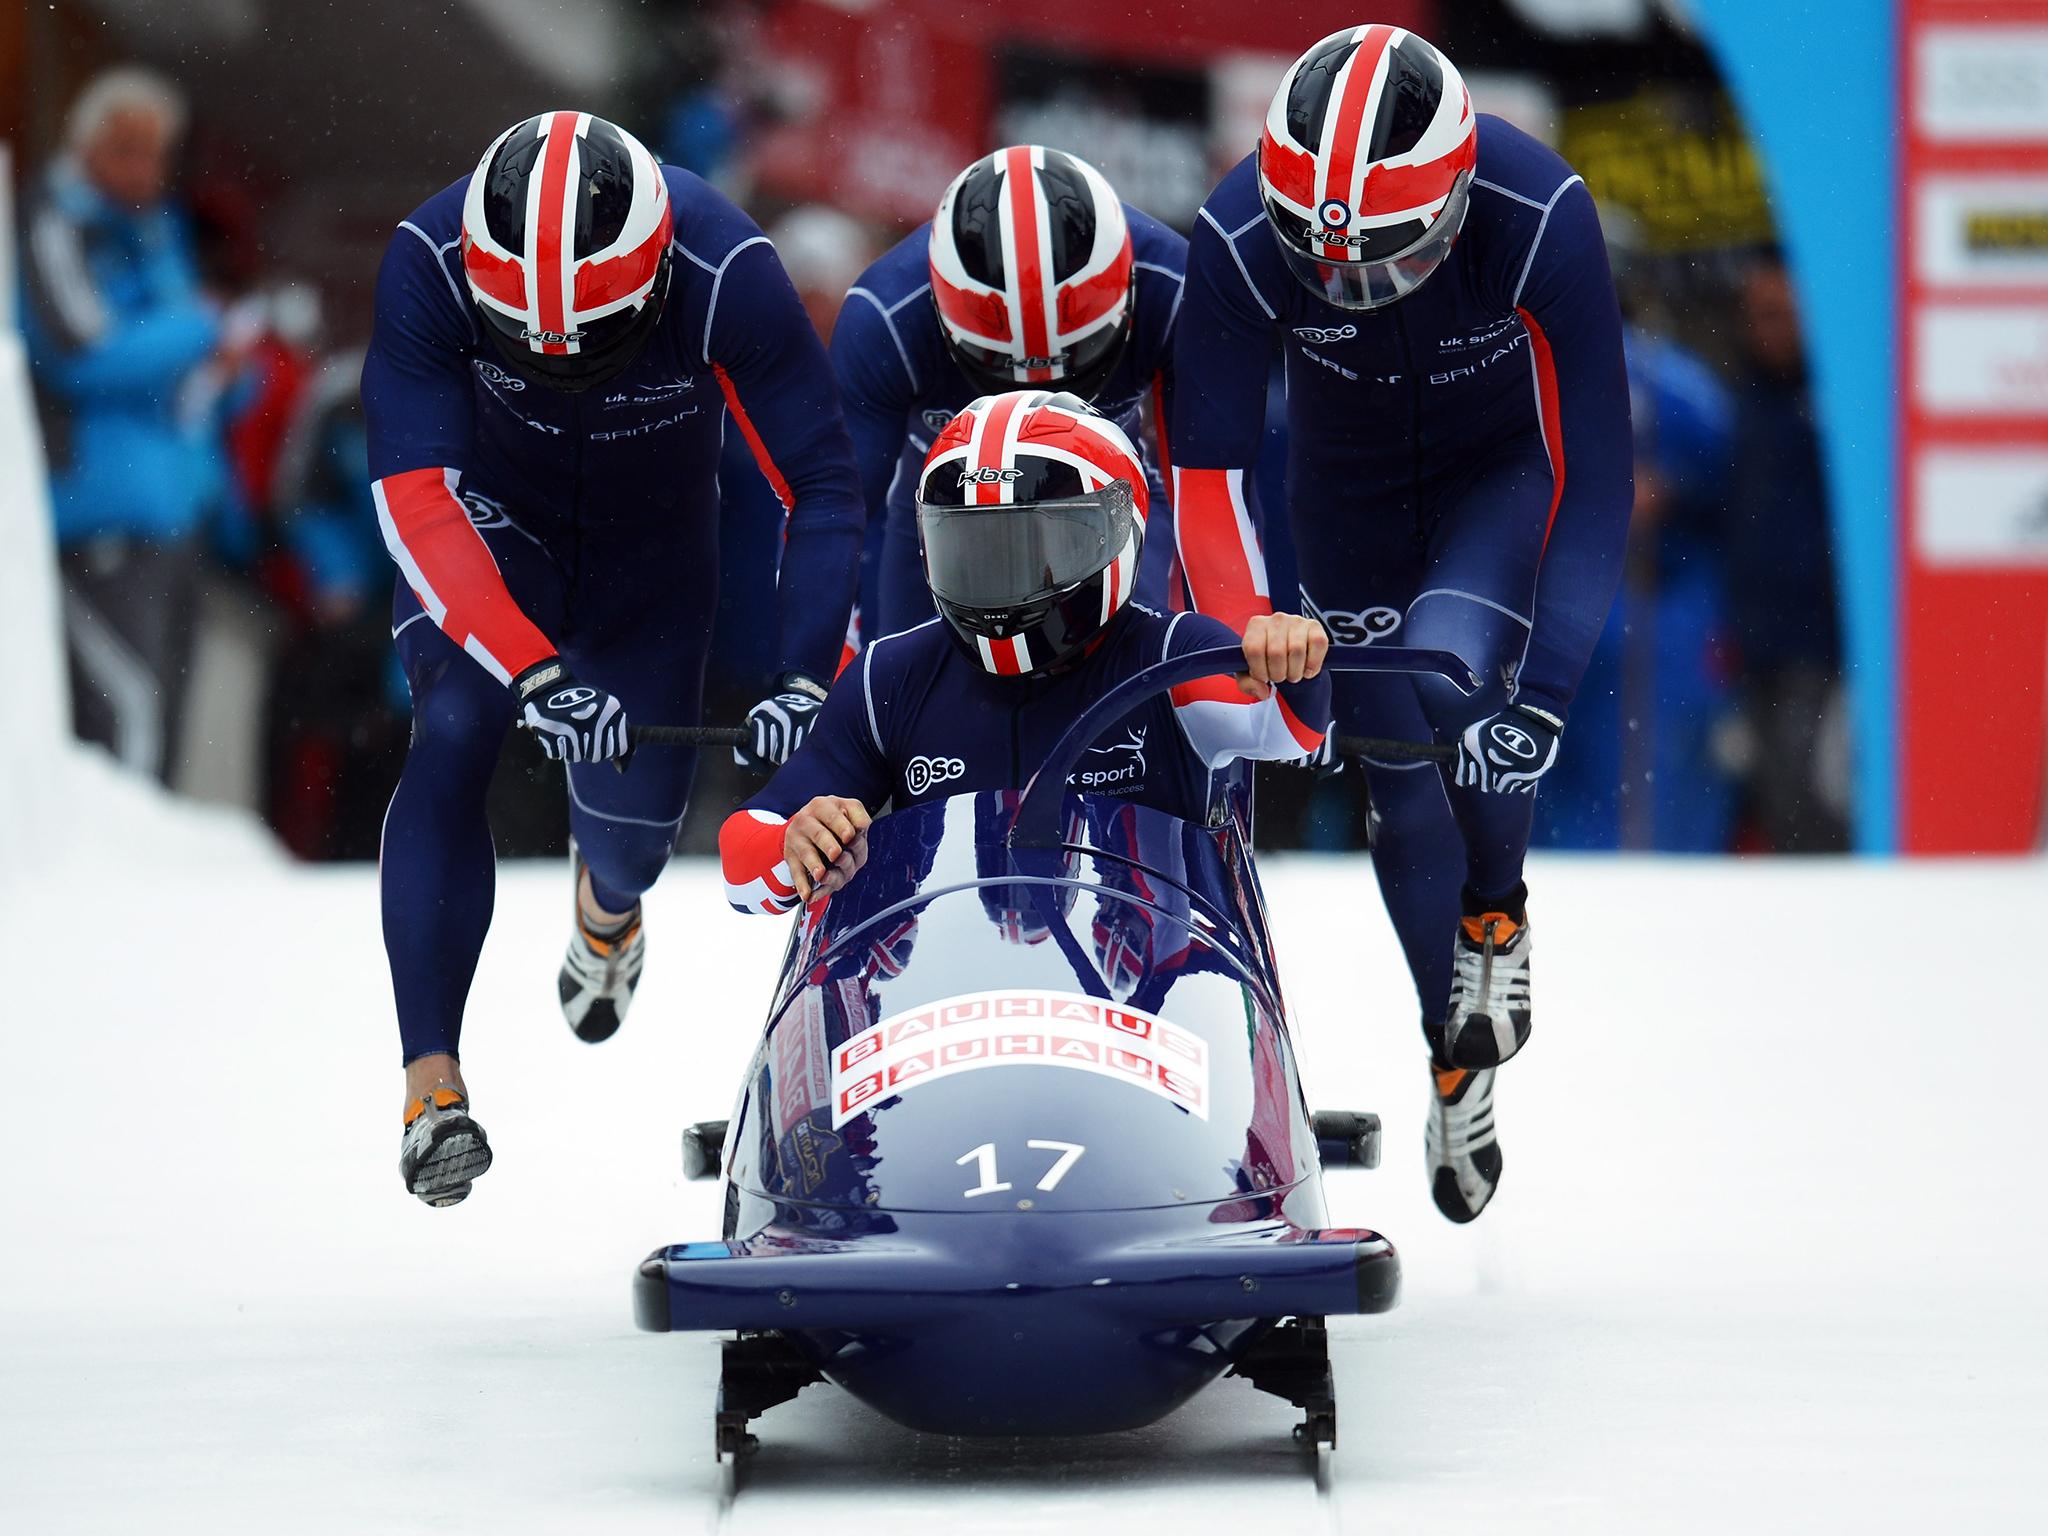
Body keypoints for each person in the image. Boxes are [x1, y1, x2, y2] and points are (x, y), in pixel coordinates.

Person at [1171, 26, 1632, 1221]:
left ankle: (1496, 907)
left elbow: (1593, 473)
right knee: (1395, 781)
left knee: (1450, 671)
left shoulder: (1536, 213)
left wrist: (1545, 694)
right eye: (1322, 266)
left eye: (1390, 259)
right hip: (1347, 497)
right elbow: (1207, 477)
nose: (1352, 289)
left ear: (1457, 198)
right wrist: (1241, 635)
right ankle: (1450, 1052)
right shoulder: (1237, 232)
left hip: (1497, 476)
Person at [362, 111, 863, 1206]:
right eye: (528, 340)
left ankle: (608, 904)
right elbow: (416, 496)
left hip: (653, 560)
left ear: (652, 272)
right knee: (455, 725)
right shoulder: (429, 259)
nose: (566, 366)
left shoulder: (725, 267)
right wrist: (529, 667)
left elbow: (821, 485)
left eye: (599, 339)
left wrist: (804, 675)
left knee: (636, 836)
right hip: (495, 533)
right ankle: (430, 1089)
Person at [719, 392, 1328, 914]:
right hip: (946, 989)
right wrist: (794, 843)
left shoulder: (1172, 656)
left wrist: (1291, 658)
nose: (1003, 582)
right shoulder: (890, 677)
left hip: (1134, 986)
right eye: (977, 551)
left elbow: (1287, 729)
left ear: (1116, 532)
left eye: (1038, 549)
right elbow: (743, 858)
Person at [831, 146, 1187, 640]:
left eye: (1074, 364)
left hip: (1104, 508)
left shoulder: (1174, 288)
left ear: (1128, 294)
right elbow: (833, 510)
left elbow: (1213, 484)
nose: (1036, 402)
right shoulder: (887, 318)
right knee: (914, 680)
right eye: (1005, 372)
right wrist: (821, 667)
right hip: (952, 520)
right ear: (941, 316)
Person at [20, 67, 251, 782]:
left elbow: (187, 376)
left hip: (175, 516)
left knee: (164, 724)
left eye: (155, 153)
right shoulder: (57, 221)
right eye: (126, 149)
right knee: (124, 719)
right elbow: (80, 352)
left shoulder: (158, 231)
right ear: (83, 144)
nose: (143, 169)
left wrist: (229, 373)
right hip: (97, 514)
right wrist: (202, 332)